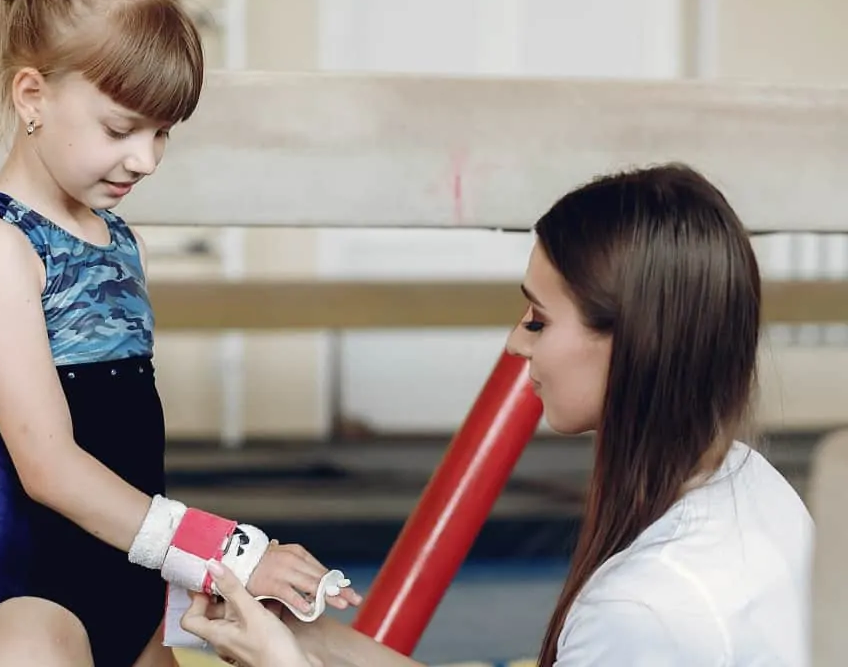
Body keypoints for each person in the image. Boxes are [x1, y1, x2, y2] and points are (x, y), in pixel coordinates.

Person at [180, 163, 815, 666]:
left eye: (538, 319)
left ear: (632, 343)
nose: (516, 343)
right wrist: (316, 645)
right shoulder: (750, 481)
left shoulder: (643, 608)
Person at [0, 0, 361, 666]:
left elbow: (128, 453)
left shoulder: (118, 239)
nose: (147, 160)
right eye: (121, 128)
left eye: (163, 132)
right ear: (32, 96)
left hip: (135, 605)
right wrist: (230, 551)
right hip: (36, 610)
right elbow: (51, 467)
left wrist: (210, 575)